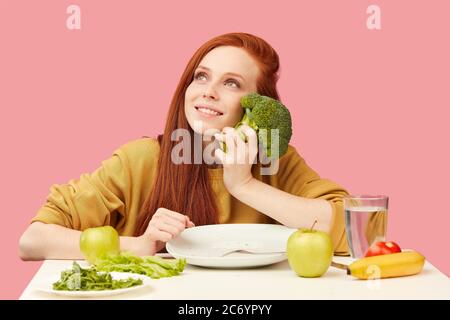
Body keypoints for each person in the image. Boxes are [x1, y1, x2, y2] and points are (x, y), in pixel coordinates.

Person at [19, 32, 350, 260]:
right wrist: (137, 245)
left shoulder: (276, 162)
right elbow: (33, 241)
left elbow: (350, 228)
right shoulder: (141, 159)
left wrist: (245, 185)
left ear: (256, 105)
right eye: (201, 76)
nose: (207, 91)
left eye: (231, 83)